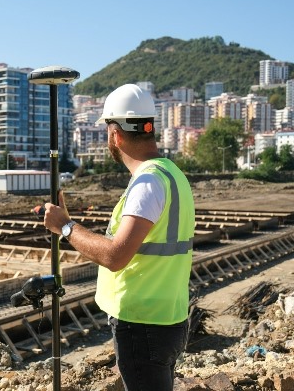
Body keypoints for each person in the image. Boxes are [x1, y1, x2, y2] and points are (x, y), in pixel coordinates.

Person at [43, 84, 195, 391]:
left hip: (143, 324)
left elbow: (115, 256)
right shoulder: (171, 174)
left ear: (115, 134)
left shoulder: (147, 183)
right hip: (167, 317)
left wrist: (66, 228)